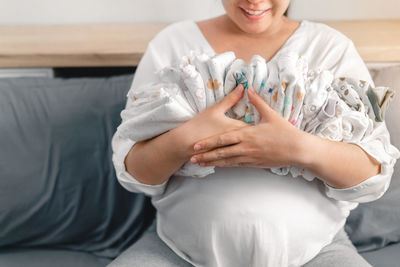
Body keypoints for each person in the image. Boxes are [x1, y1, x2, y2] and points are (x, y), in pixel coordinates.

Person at [110, 0, 399, 266]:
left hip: (317, 253)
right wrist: (186, 138)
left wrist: (300, 149)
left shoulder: (329, 48)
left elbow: (372, 173)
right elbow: (135, 173)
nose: (254, 1)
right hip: (175, 251)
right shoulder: (172, 44)